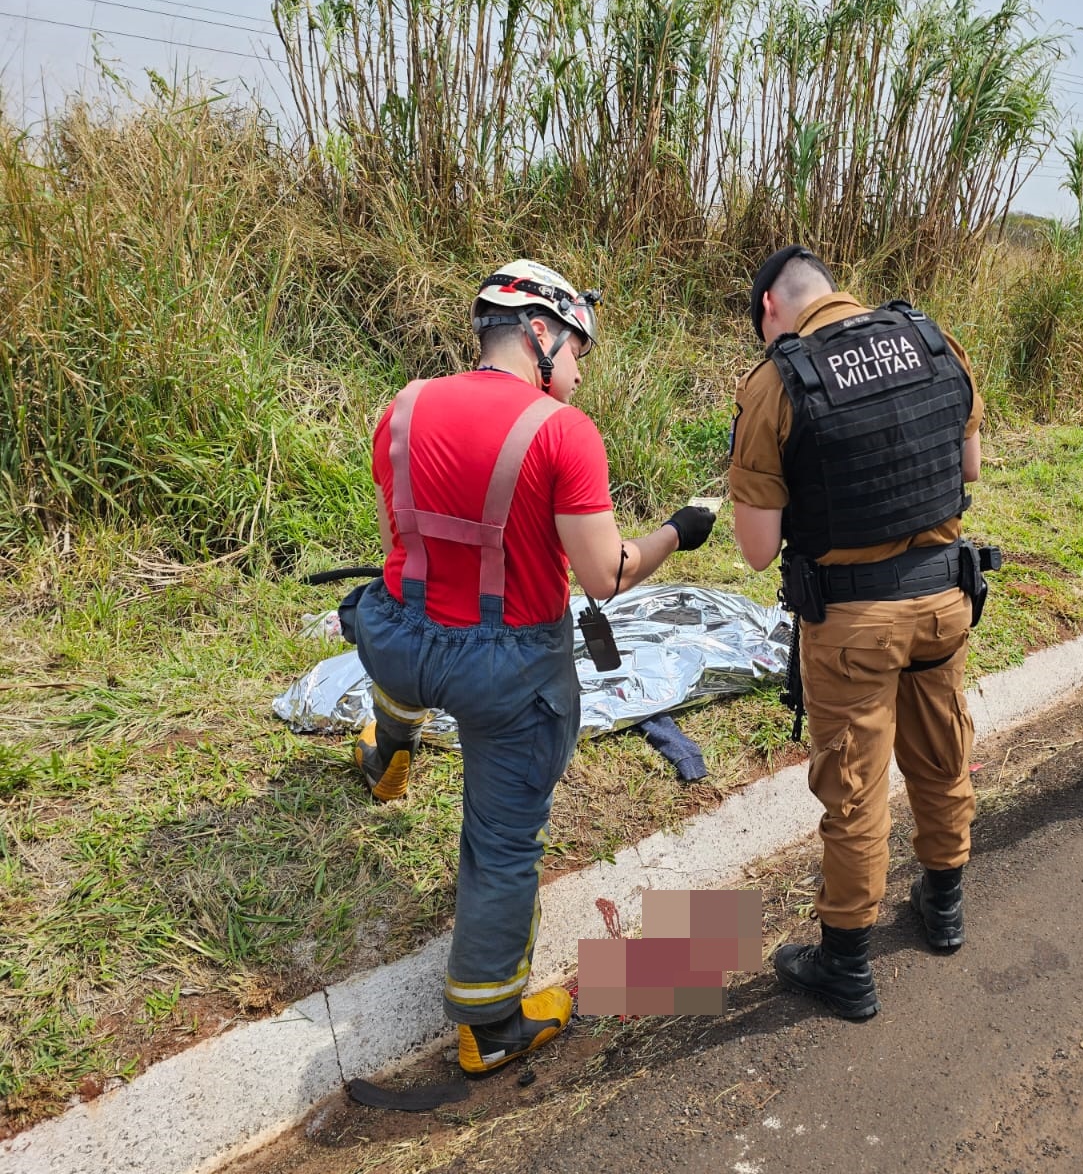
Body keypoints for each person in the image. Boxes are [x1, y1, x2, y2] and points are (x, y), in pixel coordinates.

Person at [338, 260, 716, 1072]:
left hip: (400, 641)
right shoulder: (561, 431)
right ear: (541, 333)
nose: (578, 372)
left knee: (397, 633)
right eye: (578, 349)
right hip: (505, 671)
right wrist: (680, 532)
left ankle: (389, 749)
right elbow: (605, 575)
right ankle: (490, 1025)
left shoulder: (401, 406)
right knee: (504, 843)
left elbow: (396, 545)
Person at [729, 245, 994, 1019]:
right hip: (945, 601)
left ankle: (846, 964)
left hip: (852, 627)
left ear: (772, 308)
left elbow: (755, 551)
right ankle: (943, 909)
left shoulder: (779, 379)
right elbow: (968, 467)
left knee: (854, 792)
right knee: (944, 753)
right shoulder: (933, 339)